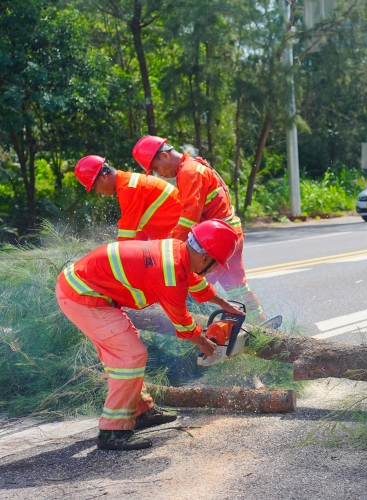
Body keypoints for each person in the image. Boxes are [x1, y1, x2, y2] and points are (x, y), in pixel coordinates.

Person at [56, 220, 244, 450]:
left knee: (126, 349)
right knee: (130, 356)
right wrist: (206, 346)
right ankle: (112, 432)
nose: (215, 270)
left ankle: (141, 410)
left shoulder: (179, 250)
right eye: (216, 265)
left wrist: (224, 305)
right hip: (83, 297)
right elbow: (183, 324)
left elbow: (195, 282)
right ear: (206, 259)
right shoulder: (170, 274)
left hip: (88, 290)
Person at [131, 136, 266, 323]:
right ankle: (260, 325)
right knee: (237, 288)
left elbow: (189, 218)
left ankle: (208, 331)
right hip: (230, 234)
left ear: (163, 156)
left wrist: (169, 249)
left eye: (155, 168)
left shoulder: (189, 172)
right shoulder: (194, 166)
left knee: (193, 287)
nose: (158, 174)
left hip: (216, 240)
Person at [74, 155, 182, 241]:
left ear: (104, 177)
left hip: (180, 235)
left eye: (95, 187)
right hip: (177, 234)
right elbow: (139, 232)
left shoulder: (129, 189)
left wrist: (116, 254)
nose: (97, 191)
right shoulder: (128, 184)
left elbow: (126, 237)